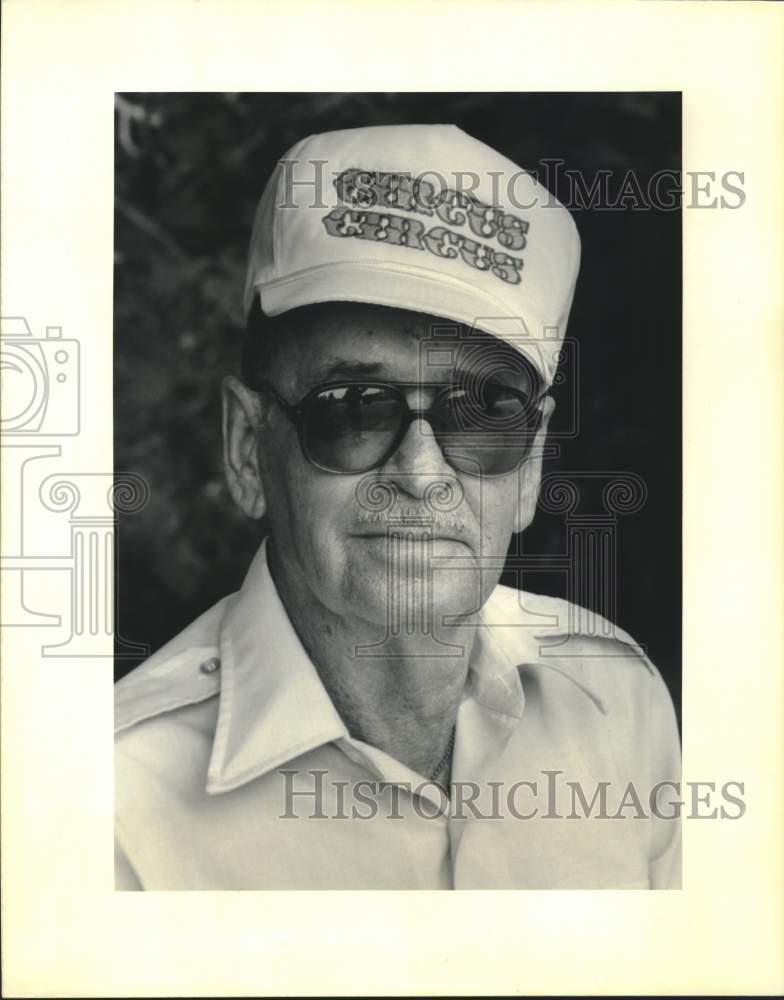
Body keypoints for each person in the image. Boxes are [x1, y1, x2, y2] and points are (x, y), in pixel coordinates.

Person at [115, 124, 681, 890]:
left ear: (530, 466)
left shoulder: (620, 703)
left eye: (483, 413)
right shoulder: (112, 809)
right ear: (248, 448)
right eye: (353, 408)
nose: (421, 472)